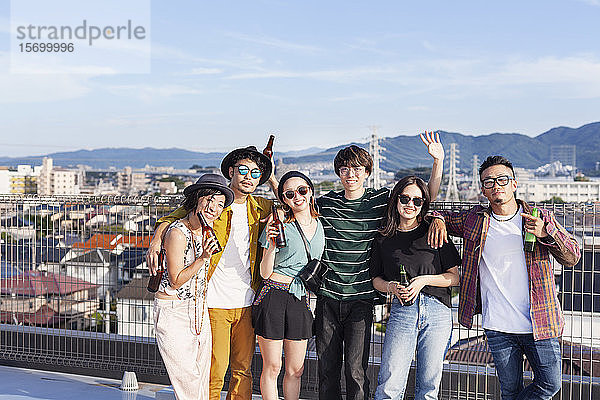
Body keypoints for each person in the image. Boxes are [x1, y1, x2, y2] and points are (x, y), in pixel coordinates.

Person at [428, 155, 581, 400]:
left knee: (550, 385)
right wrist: (437, 220)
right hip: (498, 325)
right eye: (489, 182)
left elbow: (573, 256)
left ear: (514, 184)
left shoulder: (537, 216)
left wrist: (546, 232)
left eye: (502, 179)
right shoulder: (475, 220)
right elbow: (434, 212)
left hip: (540, 322)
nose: (496, 185)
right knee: (509, 391)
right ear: (483, 190)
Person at [315, 132, 444, 400]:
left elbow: (420, 199)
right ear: (339, 173)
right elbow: (296, 202)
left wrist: (437, 163)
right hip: (328, 296)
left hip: (362, 297)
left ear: (367, 172)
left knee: (355, 370)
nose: (351, 174)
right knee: (327, 370)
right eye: (345, 169)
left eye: (357, 169)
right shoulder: (326, 203)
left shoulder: (380, 200)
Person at [147, 145, 277, 400]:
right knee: (215, 369)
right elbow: (174, 216)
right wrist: (155, 240)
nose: (249, 177)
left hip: (248, 301)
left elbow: (289, 200)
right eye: (243, 170)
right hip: (214, 301)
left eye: (255, 173)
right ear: (231, 171)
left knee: (243, 370)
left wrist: (271, 174)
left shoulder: (261, 207)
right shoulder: (214, 203)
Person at [370, 176, 460, 400]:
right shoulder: (383, 237)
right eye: (405, 198)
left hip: (438, 311)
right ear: (396, 199)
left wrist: (423, 280)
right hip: (403, 309)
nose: (411, 204)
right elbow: (376, 279)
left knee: (429, 387)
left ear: (423, 205)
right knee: (390, 383)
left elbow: (454, 278)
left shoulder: (434, 230)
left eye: (417, 201)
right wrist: (391, 287)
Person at [153, 174, 235, 400]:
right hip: (174, 311)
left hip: (199, 310)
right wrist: (203, 257)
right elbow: (176, 279)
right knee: (187, 379)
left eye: (219, 204)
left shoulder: (207, 232)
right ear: (197, 199)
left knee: (200, 376)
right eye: (209, 200)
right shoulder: (178, 232)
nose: (214, 208)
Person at [254, 171, 325, 400]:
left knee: (296, 369)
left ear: (311, 191)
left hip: (300, 298)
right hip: (274, 295)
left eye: (302, 190)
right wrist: (272, 244)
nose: (298, 197)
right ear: (283, 198)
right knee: (273, 367)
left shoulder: (321, 223)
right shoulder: (279, 224)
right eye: (290, 194)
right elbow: (265, 272)